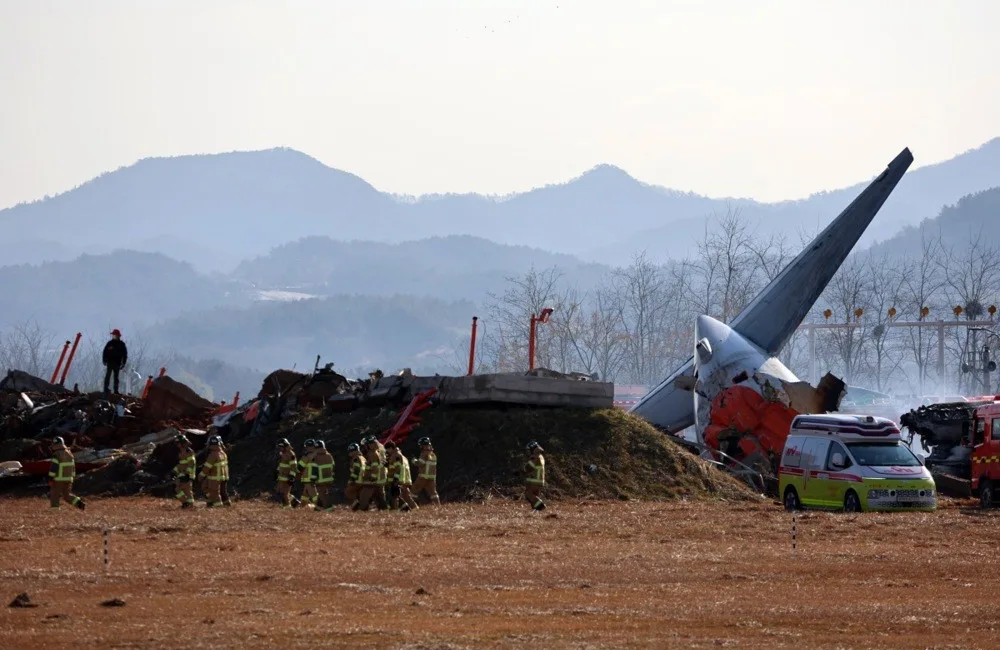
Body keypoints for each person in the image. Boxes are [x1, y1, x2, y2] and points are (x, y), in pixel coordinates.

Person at [47, 437, 85, 510]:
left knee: (54, 493)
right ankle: (79, 504)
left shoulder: (57, 454)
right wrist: (73, 477)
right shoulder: (70, 453)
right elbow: (73, 467)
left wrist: (51, 478)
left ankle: (54, 509)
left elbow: (54, 468)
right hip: (69, 478)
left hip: (59, 479)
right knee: (67, 496)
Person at [386, 442, 418, 512]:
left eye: (387, 450)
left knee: (395, 496)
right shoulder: (401, 456)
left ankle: (395, 511)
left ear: (391, 448)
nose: (387, 452)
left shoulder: (396, 455)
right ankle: (414, 510)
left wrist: (395, 479)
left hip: (398, 480)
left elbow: (398, 468)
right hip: (404, 479)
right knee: (406, 496)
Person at [198, 435, 229, 507]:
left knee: (214, 493)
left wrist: (200, 476)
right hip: (223, 477)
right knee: (223, 492)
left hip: (214, 478)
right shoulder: (223, 453)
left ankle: (218, 507)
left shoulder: (213, 455)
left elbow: (207, 468)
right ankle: (226, 504)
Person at [411, 437, 440, 505]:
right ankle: (438, 506)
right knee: (433, 493)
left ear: (423, 445)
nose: (420, 446)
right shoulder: (433, 454)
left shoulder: (424, 453)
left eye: (420, 445)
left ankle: (411, 506)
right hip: (432, 477)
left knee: (413, 491)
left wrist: (414, 460)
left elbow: (420, 464)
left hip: (423, 476)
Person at [172, 435, 196, 508]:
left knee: (180, 489)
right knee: (186, 491)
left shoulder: (188, 451)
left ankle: (187, 504)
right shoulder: (181, 451)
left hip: (187, 475)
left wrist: (187, 474)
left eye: (178, 443)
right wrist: (174, 471)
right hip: (183, 473)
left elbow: (191, 463)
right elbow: (181, 464)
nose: (177, 445)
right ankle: (188, 505)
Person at [102, 329, 128, 396]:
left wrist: (123, 363)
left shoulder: (122, 344)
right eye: (113, 335)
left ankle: (116, 390)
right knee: (108, 376)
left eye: (115, 335)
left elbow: (125, 354)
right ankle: (105, 389)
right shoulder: (109, 343)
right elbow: (105, 352)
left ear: (118, 336)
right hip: (110, 362)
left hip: (117, 363)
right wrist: (104, 360)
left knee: (116, 377)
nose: (113, 336)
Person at [275, 439, 299, 508]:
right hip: (281, 477)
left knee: (284, 494)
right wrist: (277, 471)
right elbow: (281, 464)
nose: (280, 448)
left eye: (281, 446)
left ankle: (288, 508)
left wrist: (291, 477)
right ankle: (294, 501)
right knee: (279, 491)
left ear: (285, 446)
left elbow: (293, 467)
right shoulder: (283, 453)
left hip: (287, 478)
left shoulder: (291, 454)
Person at [313, 440, 335, 511]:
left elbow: (314, 469)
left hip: (320, 481)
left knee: (324, 497)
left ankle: (330, 511)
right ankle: (317, 510)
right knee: (322, 496)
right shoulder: (329, 456)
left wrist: (312, 479)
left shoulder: (316, 457)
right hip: (329, 480)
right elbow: (333, 467)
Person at [524, 441, 546, 511]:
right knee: (534, 496)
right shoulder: (540, 456)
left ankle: (541, 506)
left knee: (528, 494)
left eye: (528, 450)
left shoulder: (535, 457)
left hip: (535, 480)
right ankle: (537, 510)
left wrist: (520, 471)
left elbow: (529, 467)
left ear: (532, 449)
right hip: (539, 480)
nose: (528, 452)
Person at [298, 440, 318, 509]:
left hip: (308, 478)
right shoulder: (318, 454)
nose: (306, 448)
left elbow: (300, 466)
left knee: (314, 495)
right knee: (305, 495)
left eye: (307, 447)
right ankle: (301, 508)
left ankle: (321, 509)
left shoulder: (307, 455)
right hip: (315, 478)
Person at [344, 443, 365, 510]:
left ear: (354, 451)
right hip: (363, 480)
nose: (349, 453)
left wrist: (352, 479)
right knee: (358, 494)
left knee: (348, 492)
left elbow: (356, 469)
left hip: (357, 480)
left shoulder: (355, 458)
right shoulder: (362, 458)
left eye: (350, 451)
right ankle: (359, 507)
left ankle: (357, 505)